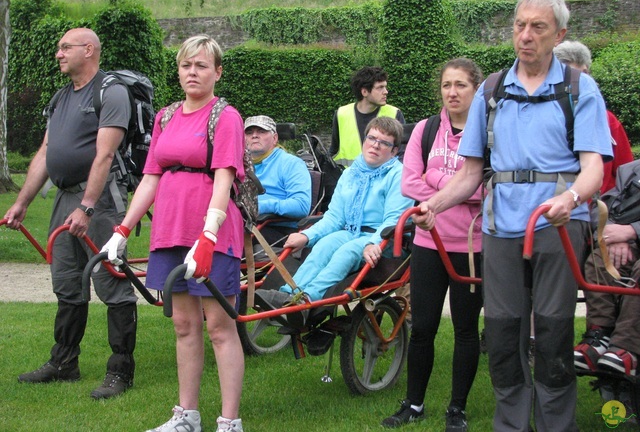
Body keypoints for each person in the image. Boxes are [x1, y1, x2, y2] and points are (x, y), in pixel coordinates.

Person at [412, 0, 612, 431]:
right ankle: (511, 424)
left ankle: (558, 424)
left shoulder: (579, 88)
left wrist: (570, 199)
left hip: (558, 225)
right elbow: (469, 173)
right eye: (520, 25)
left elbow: (593, 169)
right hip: (501, 228)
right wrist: (433, 204)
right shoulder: (492, 89)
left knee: (555, 331)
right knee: (502, 332)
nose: (525, 35)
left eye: (537, 27)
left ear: (559, 34)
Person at [101, 35, 245, 432]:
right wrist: (122, 229)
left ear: (217, 72)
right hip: (170, 230)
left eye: (201, 66)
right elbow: (150, 178)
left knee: (219, 327)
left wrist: (209, 235)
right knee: (183, 325)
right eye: (186, 65)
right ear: (178, 71)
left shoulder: (225, 116)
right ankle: (187, 417)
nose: (192, 72)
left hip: (210, 232)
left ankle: (230, 421)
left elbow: (224, 178)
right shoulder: (165, 117)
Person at [4, 27, 138, 400]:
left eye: (66, 47)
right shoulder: (62, 96)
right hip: (65, 199)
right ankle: (64, 362)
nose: (59, 54)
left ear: (89, 49)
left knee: (111, 282)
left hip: (100, 201)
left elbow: (105, 155)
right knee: (66, 282)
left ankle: (120, 371)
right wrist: (22, 202)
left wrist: (87, 205)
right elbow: (46, 153)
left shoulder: (110, 92)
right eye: (59, 47)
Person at [381, 58, 484, 431]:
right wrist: (458, 185)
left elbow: (488, 187)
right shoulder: (425, 130)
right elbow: (409, 183)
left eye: (461, 85)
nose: (452, 92)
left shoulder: (490, 133)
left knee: (465, 328)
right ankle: (414, 403)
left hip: (473, 247)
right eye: (446, 85)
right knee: (422, 326)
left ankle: (457, 408)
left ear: (477, 89)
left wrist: (437, 178)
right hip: (428, 242)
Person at [256, 116, 413, 316]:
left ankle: (307, 299)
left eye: (383, 143)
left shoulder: (397, 175)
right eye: (371, 139)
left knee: (346, 252)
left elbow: (393, 219)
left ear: (393, 151)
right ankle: (288, 294)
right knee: (323, 246)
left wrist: (373, 243)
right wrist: (307, 236)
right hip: (350, 232)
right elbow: (334, 217)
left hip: (383, 239)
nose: (375, 145)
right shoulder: (350, 173)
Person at [573, 159, 640, 378]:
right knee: (598, 260)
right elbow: (603, 207)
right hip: (627, 245)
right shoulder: (630, 171)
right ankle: (599, 335)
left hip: (634, 239)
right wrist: (610, 232)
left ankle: (626, 347)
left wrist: (632, 231)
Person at [553, 40, 633, 194]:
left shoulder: (608, 120)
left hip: (600, 210)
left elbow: (626, 172)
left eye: (584, 74)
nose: (581, 81)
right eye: (573, 76)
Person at [244, 115, 311, 244]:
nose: (254, 136)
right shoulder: (239, 165)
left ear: (275, 138)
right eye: (249, 132)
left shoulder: (291, 164)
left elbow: (301, 206)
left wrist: (260, 206)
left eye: (261, 131)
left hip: (278, 229)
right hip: (246, 224)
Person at [330, 66, 405, 168]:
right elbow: (333, 151)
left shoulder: (394, 113)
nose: (386, 91)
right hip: (349, 180)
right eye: (380, 87)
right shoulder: (342, 114)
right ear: (364, 92)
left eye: (385, 87)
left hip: (383, 180)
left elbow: (402, 155)